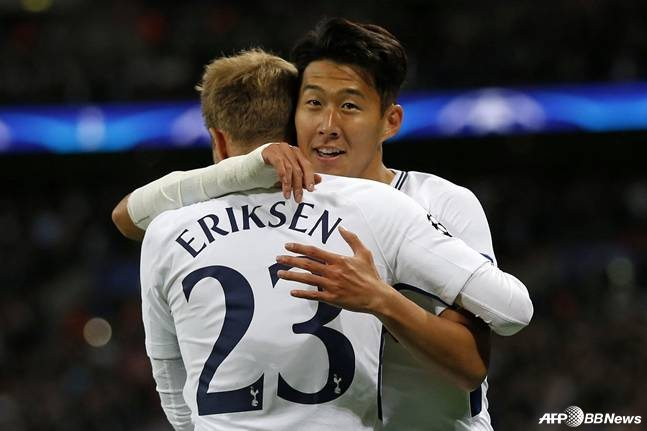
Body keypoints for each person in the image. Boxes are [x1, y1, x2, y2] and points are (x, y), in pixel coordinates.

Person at [116, 20, 533, 431]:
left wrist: (381, 299)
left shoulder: (438, 202)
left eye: (349, 106)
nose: (327, 126)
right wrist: (246, 167)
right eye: (314, 103)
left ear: (390, 121)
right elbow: (128, 217)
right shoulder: (284, 205)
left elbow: (471, 365)